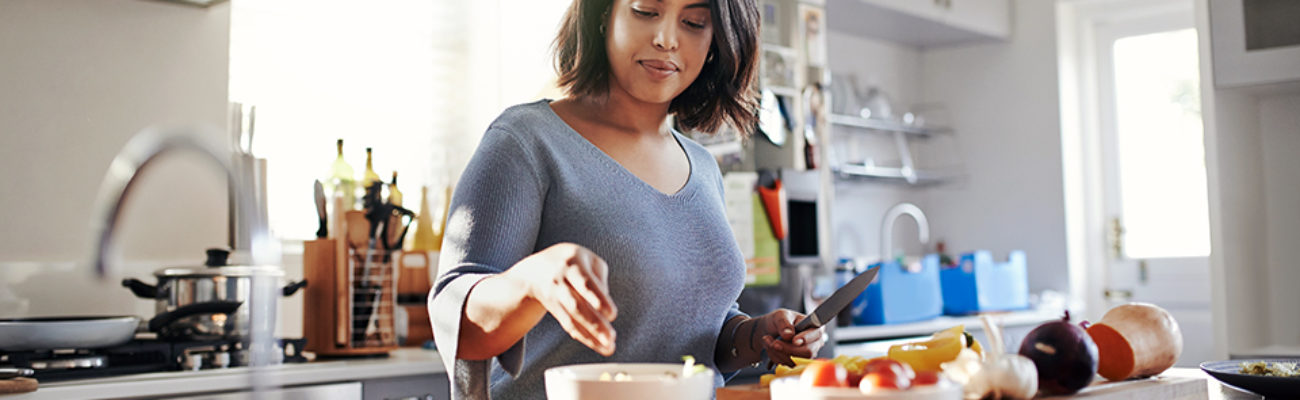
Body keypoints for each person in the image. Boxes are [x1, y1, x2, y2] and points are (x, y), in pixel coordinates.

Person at [428, 0, 825, 398]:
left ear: (717, 44)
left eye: (693, 22)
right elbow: (454, 319)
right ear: (604, 15)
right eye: (645, 10)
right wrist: (531, 282)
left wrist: (756, 336)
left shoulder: (703, 167)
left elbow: (698, 334)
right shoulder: (527, 140)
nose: (665, 39)